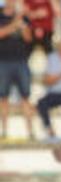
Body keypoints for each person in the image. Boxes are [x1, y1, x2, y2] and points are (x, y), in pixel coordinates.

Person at [0, 0, 35, 142]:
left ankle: (31, 131)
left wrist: (22, 24)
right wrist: (14, 25)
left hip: (21, 61)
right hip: (3, 62)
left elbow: (28, 38)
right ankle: (4, 131)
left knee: (26, 97)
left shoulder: (23, 18)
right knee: (3, 98)